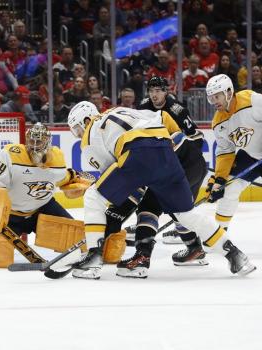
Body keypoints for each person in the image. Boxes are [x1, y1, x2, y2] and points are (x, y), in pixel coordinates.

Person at [65, 102, 256, 279]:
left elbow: (114, 176)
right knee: (185, 214)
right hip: (166, 150)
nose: (78, 134)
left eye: (77, 128)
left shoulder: (90, 135)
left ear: (86, 120)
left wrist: (108, 221)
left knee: (93, 196)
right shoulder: (121, 110)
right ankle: (235, 254)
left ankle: (92, 260)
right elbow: (161, 116)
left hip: (137, 153)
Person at [117, 76, 208, 267]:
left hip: (184, 164)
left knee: (178, 209)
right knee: (179, 209)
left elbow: (197, 138)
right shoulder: (143, 107)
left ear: (166, 91)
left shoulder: (177, 110)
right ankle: (194, 247)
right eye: (151, 91)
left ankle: (194, 246)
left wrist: (182, 154)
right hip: (165, 165)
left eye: (158, 90)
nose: (154, 95)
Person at [0, 123, 85, 236]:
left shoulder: (57, 158)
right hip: (10, 215)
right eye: (31, 141)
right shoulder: (12, 155)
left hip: (42, 209)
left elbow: (60, 178)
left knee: (76, 235)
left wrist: (72, 178)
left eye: (38, 142)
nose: (34, 146)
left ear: (47, 142)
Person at [205, 74, 262, 231]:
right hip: (250, 156)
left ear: (229, 92)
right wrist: (219, 180)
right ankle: (219, 234)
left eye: (217, 96)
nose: (214, 101)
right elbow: (225, 152)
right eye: (211, 98)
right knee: (229, 188)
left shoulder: (251, 100)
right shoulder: (218, 122)